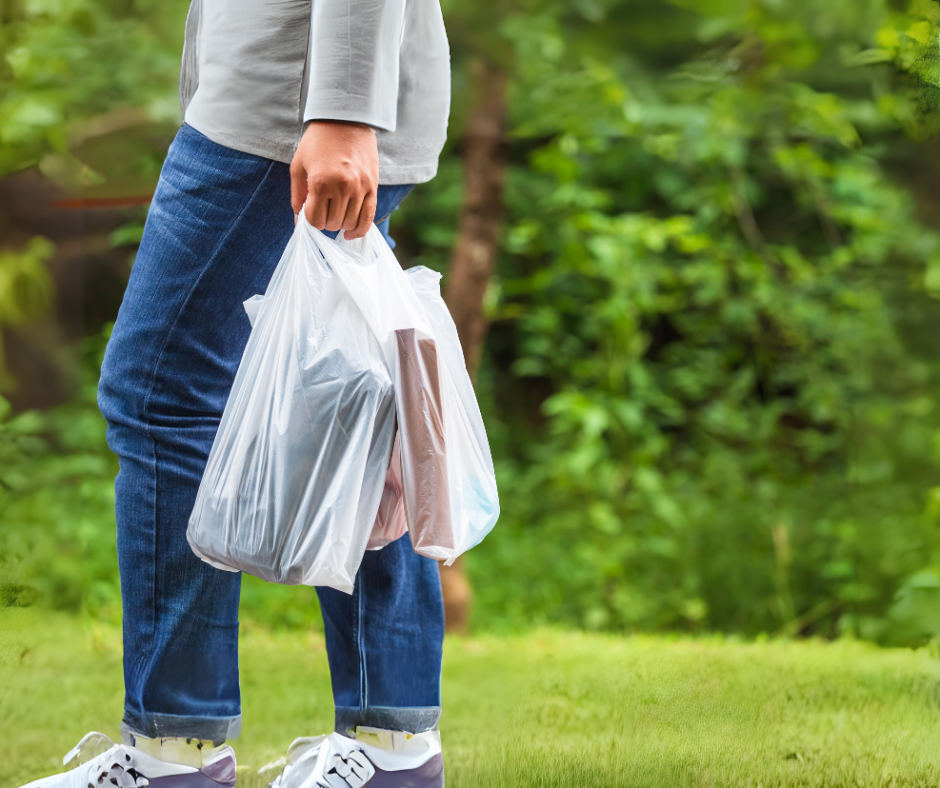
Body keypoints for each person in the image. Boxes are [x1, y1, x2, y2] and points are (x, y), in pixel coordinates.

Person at [20, 0, 451, 786]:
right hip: (286, 102)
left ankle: (174, 751)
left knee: (161, 395)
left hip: (287, 111)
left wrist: (344, 111)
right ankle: (391, 743)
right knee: (345, 404)